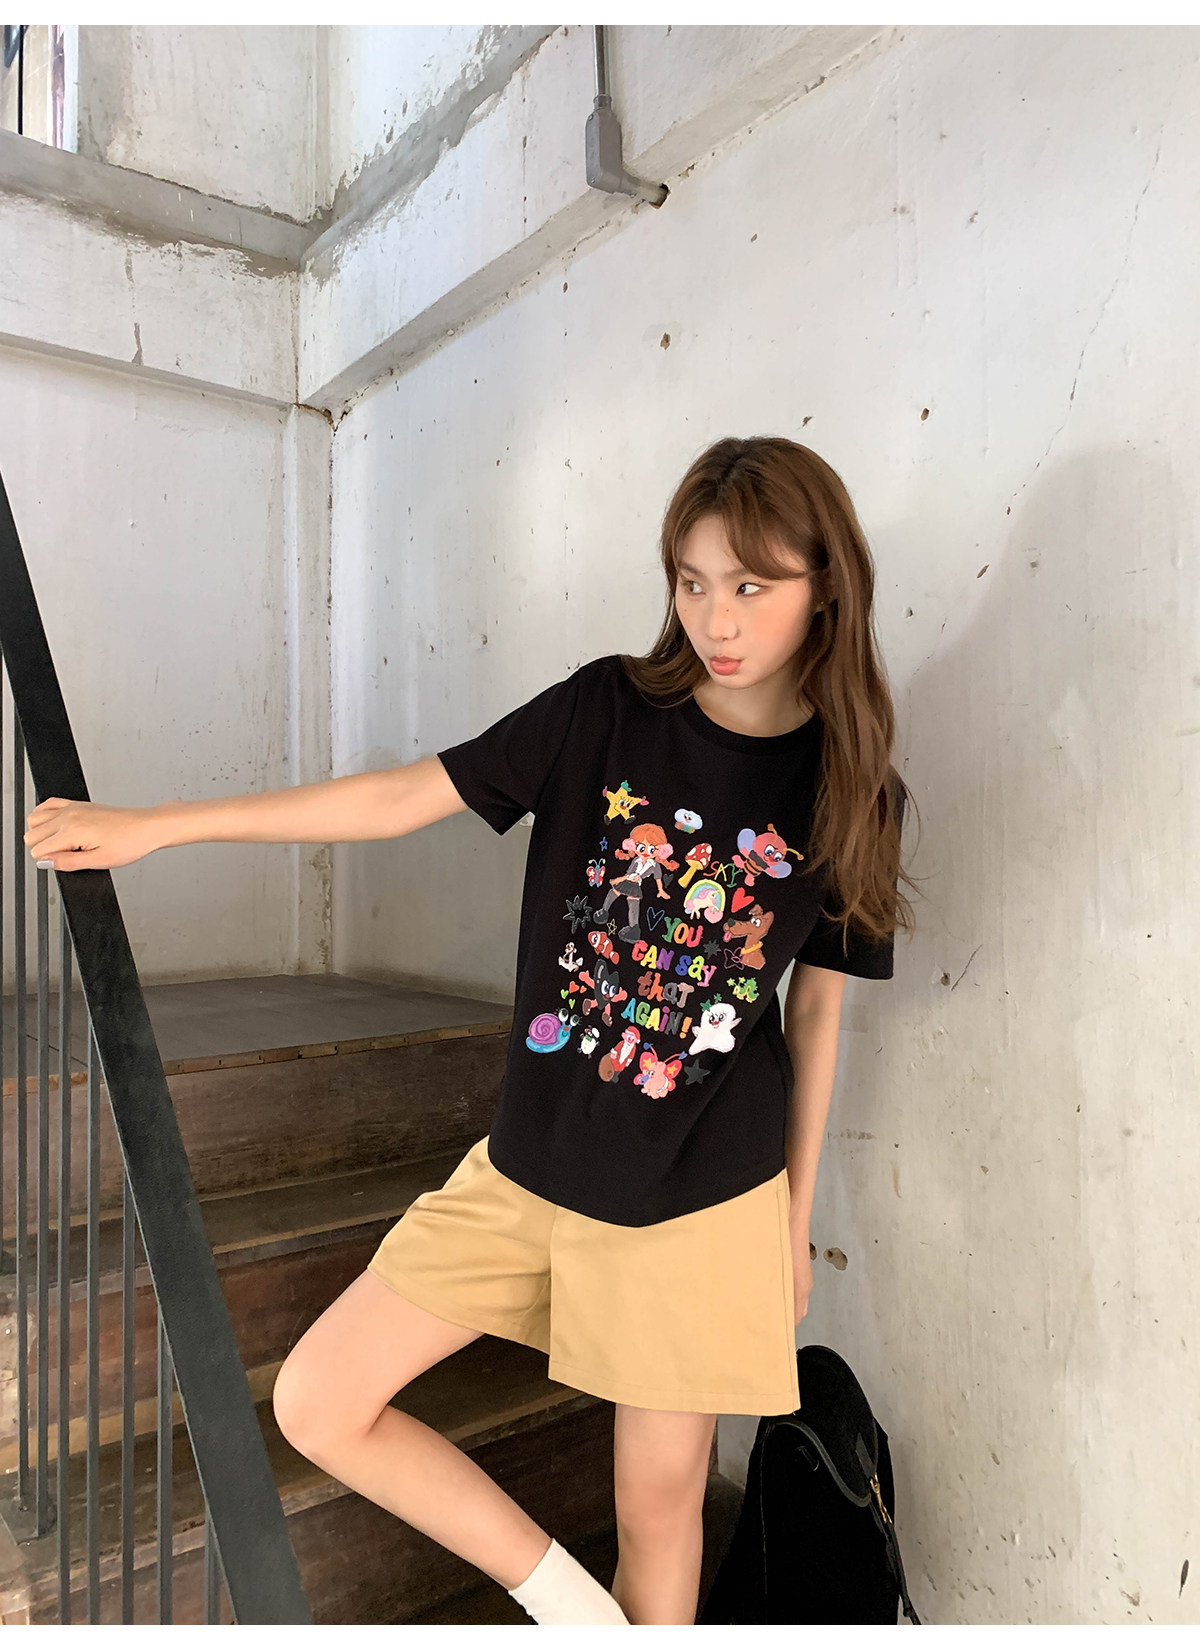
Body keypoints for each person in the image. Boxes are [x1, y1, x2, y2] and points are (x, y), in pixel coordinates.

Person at [24, 434, 914, 1626]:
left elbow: (818, 1006)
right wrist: (159, 826)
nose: (718, 618)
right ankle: (574, 1613)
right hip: (529, 1168)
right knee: (319, 1398)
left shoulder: (853, 788)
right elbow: (404, 796)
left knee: (661, 1511)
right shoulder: (606, 710)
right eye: (694, 581)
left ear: (826, 585)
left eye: (753, 585)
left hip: (704, 1201)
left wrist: (794, 1221)